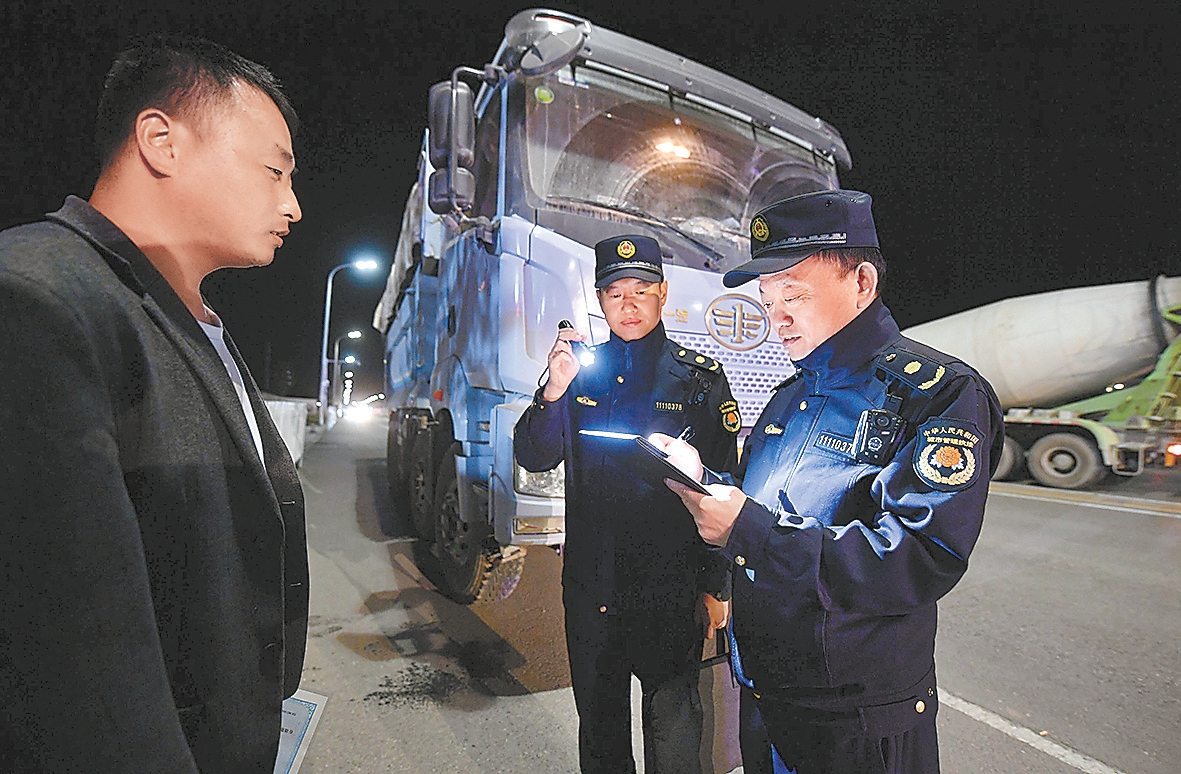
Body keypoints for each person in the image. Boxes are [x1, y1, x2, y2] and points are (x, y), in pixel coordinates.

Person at [0, 35, 306, 772]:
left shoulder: (188, 318)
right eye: (274, 171)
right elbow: (74, 654)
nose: (292, 206)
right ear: (161, 141)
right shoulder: (36, 298)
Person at [656, 190, 1003, 774]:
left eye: (793, 295)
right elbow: (761, 505)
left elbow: (920, 557)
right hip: (767, 693)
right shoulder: (791, 395)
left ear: (861, 282)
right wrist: (701, 478)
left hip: (855, 715)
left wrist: (749, 531)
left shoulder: (937, 394)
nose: (777, 318)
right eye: (768, 301)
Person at [514, 235, 741, 774]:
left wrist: (717, 584)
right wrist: (553, 391)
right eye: (615, 294)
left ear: (663, 293)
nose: (629, 304)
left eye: (641, 290)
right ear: (599, 301)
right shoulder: (578, 373)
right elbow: (534, 455)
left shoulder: (699, 378)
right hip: (592, 588)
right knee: (600, 736)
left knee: (675, 735)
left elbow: (724, 486)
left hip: (670, 589)